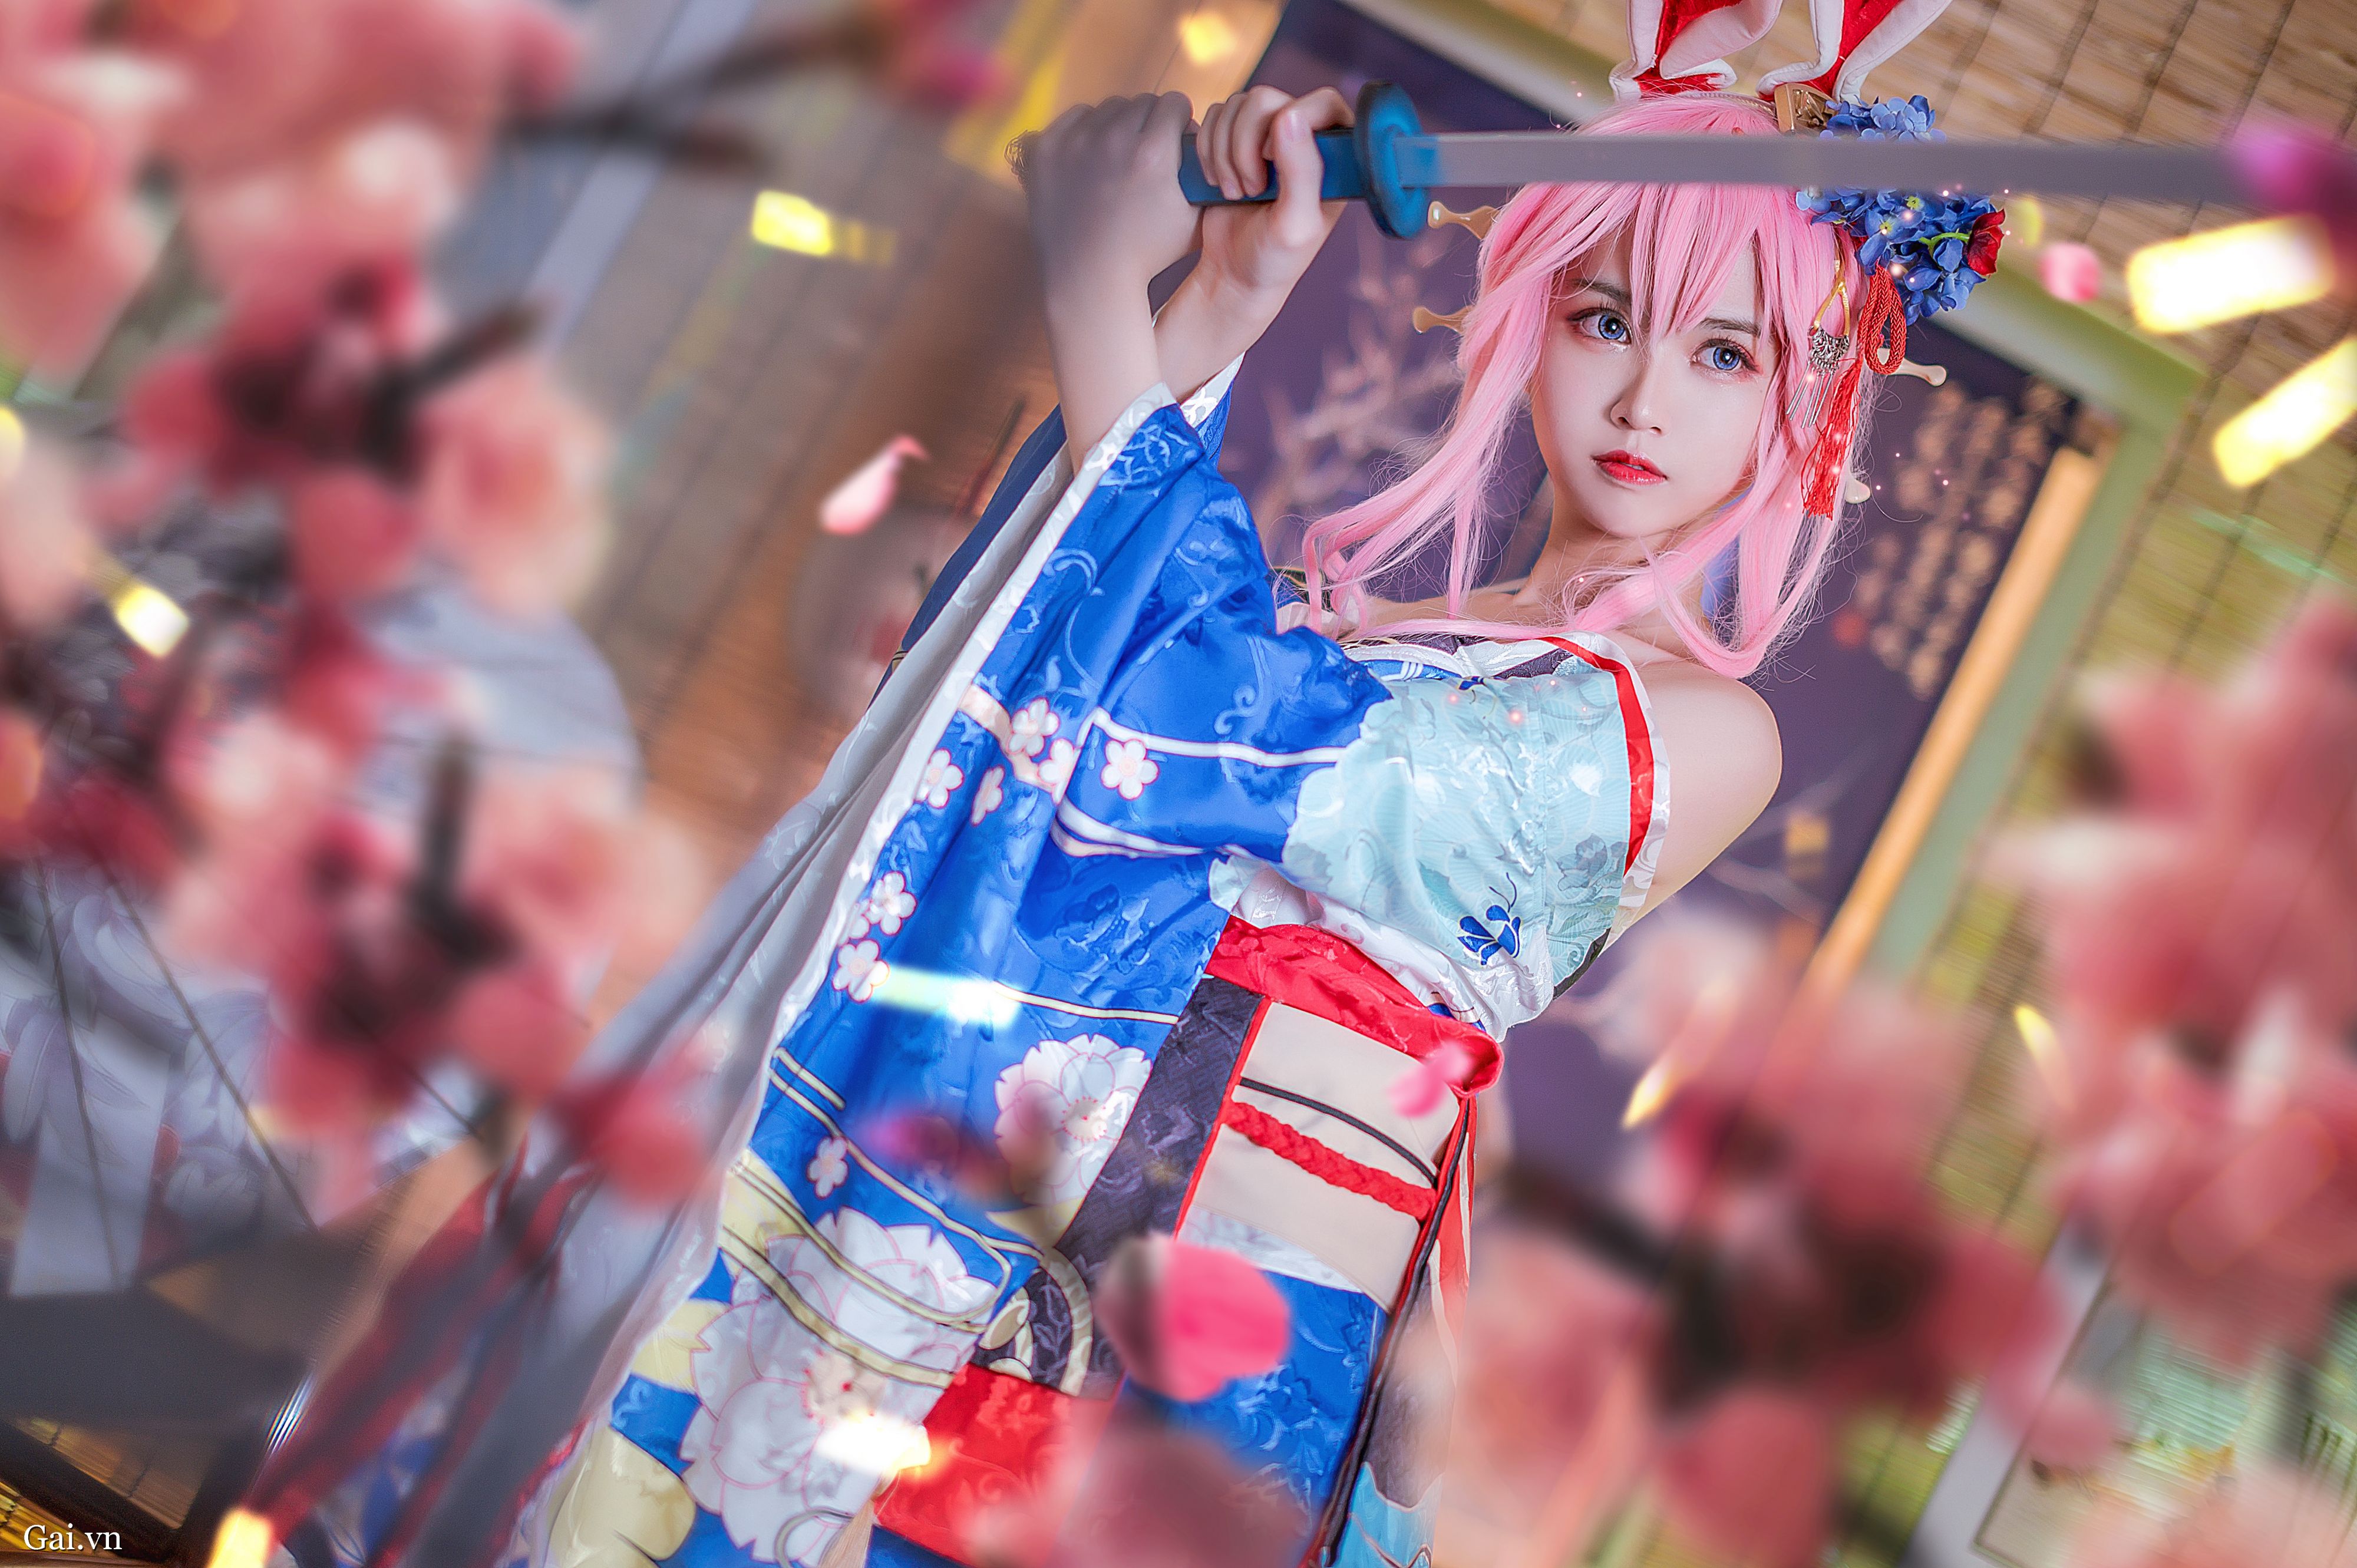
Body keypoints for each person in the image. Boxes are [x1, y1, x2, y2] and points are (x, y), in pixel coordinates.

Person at [505, 77, 1879, 1568]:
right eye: (1604, 318)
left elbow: (1235, 726)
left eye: (1723, 351)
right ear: (1528, 312)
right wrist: (1219, 293)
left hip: (1245, 1279)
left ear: (1800, 397)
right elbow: (1052, 646)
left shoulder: (1701, 731)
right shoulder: (1359, 626)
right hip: (1030, 1181)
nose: (1644, 398)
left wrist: (1104, 288)